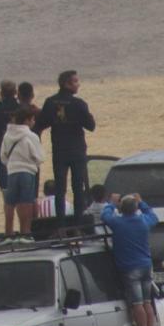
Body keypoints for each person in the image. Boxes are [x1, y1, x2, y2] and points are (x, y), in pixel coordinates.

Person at [35, 70, 97, 218]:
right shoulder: (79, 103)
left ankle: (60, 224)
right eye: (75, 81)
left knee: (60, 189)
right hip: (77, 150)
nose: (78, 84)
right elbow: (91, 126)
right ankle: (78, 222)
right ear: (67, 84)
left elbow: (40, 125)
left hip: (59, 150)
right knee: (78, 187)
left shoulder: (50, 102)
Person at [101, 194, 159, 326]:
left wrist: (111, 203)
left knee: (137, 304)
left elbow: (104, 216)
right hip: (146, 265)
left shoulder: (117, 223)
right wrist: (142, 202)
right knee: (147, 303)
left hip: (129, 268)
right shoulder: (144, 222)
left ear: (122, 209)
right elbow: (154, 216)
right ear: (136, 209)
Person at [1, 105, 44, 237]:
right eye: (32, 119)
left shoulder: (7, 135)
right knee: (26, 202)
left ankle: (8, 232)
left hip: (12, 171)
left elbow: (3, 156)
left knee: (9, 203)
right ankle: (25, 232)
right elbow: (40, 158)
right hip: (27, 172)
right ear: (27, 120)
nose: (34, 122)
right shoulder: (31, 136)